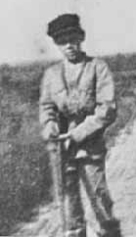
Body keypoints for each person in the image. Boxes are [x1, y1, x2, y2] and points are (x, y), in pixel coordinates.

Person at [39, 13, 122, 237]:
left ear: (81, 39)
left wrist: (77, 133)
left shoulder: (98, 68)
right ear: (57, 44)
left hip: (90, 147)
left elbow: (107, 109)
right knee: (69, 209)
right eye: (63, 41)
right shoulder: (51, 75)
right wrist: (50, 126)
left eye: (73, 39)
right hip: (62, 151)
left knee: (100, 204)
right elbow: (47, 107)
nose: (69, 45)